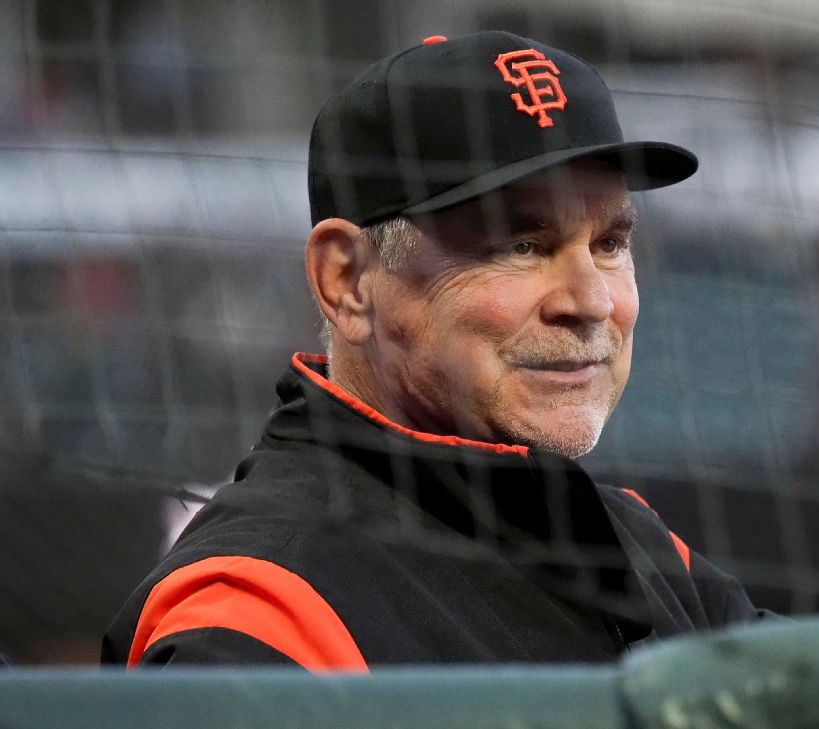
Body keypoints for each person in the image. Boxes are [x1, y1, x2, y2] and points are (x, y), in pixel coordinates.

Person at [102, 31, 762, 670]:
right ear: (347, 281)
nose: (591, 301)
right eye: (521, 246)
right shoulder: (258, 608)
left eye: (609, 244)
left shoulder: (635, 545)